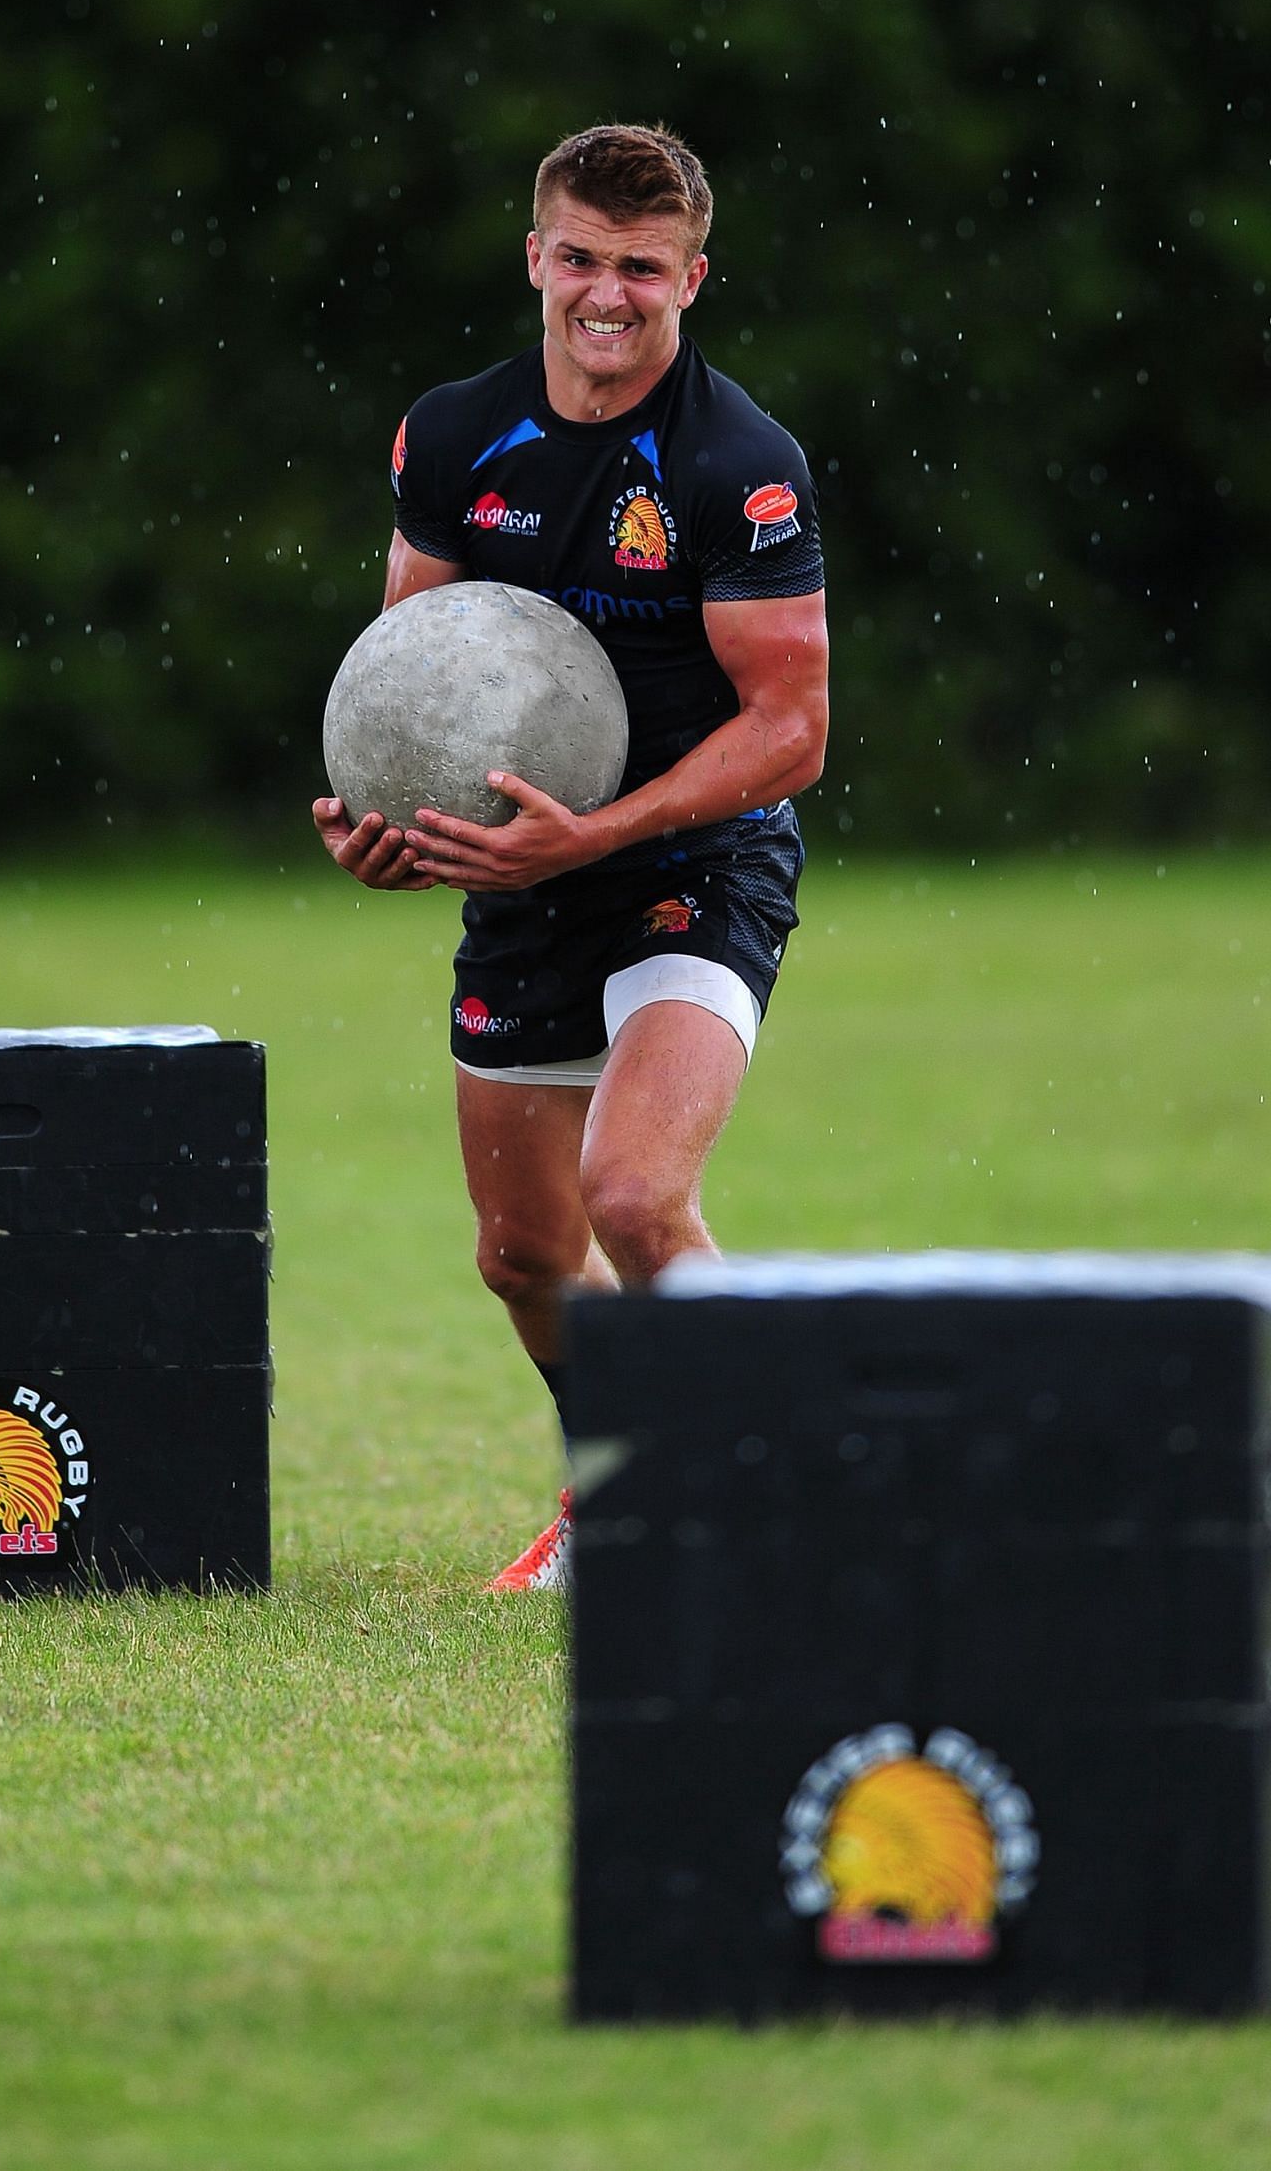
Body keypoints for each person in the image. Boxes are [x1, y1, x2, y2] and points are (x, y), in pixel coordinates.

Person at [312, 122, 829, 1588]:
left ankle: (797, 1483)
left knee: (633, 1197)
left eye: (644, 270)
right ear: (536, 256)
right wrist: (384, 827)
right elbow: (406, 679)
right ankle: (625, 1481)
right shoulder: (456, 435)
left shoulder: (740, 463)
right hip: (523, 872)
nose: (611, 295)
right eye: (584, 260)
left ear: (693, 278)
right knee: (524, 1253)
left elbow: (790, 728)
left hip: (696, 855)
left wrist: (595, 829)